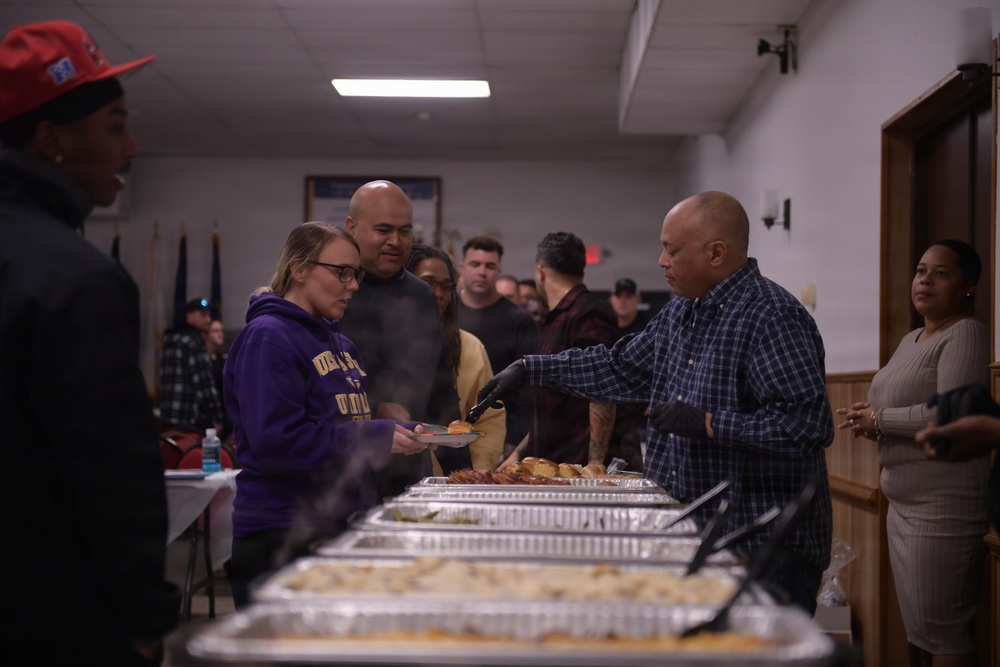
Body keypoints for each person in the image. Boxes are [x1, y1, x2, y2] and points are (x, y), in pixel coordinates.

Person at [471, 191, 833, 613]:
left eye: (671, 250)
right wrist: (532, 369)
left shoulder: (772, 316)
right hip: (694, 537)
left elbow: (808, 426)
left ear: (716, 253)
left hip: (761, 546)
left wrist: (711, 423)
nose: (661, 261)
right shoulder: (681, 310)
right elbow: (618, 366)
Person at [0, 20, 179, 665]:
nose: (130, 147)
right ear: (50, 140)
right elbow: (107, 469)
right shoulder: (76, 277)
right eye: (113, 126)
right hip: (54, 616)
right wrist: (145, 616)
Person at [223, 222, 433, 606]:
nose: (353, 285)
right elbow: (278, 442)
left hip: (339, 523)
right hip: (283, 531)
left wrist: (398, 431)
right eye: (341, 273)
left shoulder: (341, 344)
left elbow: (340, 428)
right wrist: (374, 436)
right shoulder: (269, 336)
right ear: (299, 269)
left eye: (355, 274)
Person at [835, 240, 989, 667]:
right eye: (921, 270)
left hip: (942, 505)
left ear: (968, 286)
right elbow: (903, 408)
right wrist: (871, 418)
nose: (924, 280)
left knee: (943, 632)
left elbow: (952, 413)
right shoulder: (912, 338)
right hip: (903, 503)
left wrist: (881, 420)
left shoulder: (966, 333)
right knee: (921, 629)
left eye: (941, 273)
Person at [340, 180, 469, 499]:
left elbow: (440, 391)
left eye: (405, 231)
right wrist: (372, 408)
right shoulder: (332, 293)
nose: (395, 241)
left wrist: (462, 478)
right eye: (383, 230)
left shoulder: (423, 295)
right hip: (343, 476)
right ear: (351, 227)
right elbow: (312, 392)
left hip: (411, 476)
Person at [407, 244, 506, 469]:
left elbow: (489, 418)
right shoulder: (386, 343)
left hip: (456, 474)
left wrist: (477, 472)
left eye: (446, 286)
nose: (439, 294)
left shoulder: (470, 347)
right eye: (428, 283)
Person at [522, 231, 617, 466]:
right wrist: (518, 455)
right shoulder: (557, 318)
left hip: (579, 470)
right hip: (554, 465)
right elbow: (550, 406)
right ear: (582, 271)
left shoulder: (587, 313)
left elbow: (603, 392)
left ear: (541, 271)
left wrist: (595, 465)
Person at [457, 236, 541, 459]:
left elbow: (527, 390)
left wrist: (513, 442)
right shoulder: (448, 313)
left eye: (490, 266)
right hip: (448, 428)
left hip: (500, 434)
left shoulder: (519, 320)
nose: (482, 272)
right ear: (462, 268)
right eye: (475, 264)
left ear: (499, 271)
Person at [159, 297, 224, 434]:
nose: (208, 320)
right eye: (202, 315)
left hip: (169, 419)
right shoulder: (193, 343)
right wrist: (216, 417)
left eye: (209, 315)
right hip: (191, 422)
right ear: (188, 316)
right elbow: (204, 383)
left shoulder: (169, 342)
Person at [607, 278, 650, 472]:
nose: (623, 301)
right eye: (619, 296)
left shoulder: (648, 329)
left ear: (637, 300)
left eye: (628, 297)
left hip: (642, 412)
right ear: (612, 300)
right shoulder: (605, 328)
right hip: (613, 408)